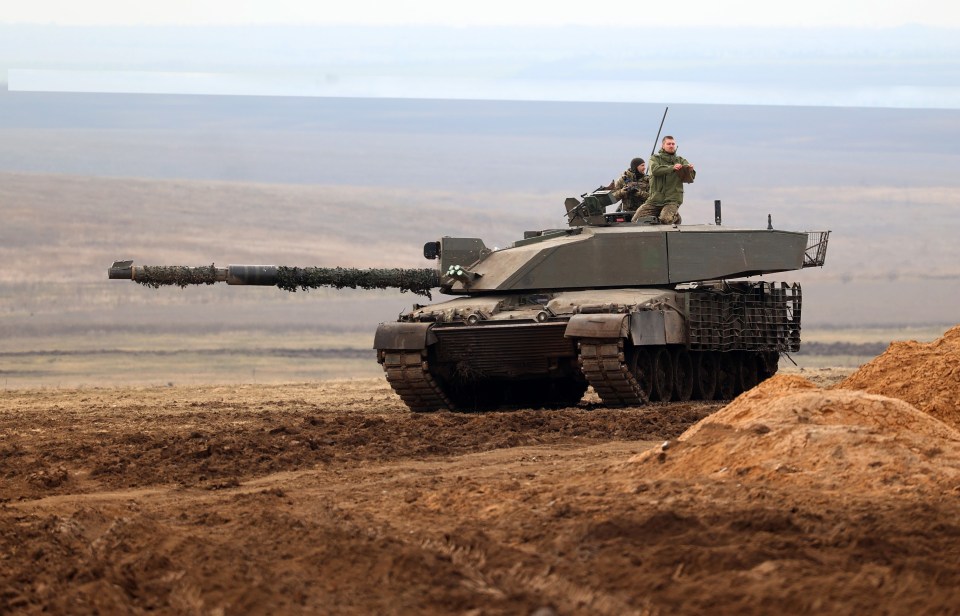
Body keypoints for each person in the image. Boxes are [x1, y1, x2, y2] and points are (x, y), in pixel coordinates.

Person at [631, 136, 695, 224]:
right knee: (636, 220)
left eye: (673, 144)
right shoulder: (655, 159)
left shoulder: (680, 160)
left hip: (672, 199)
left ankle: (675, 216)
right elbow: (655, 170)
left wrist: (690, 170)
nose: (671, 146)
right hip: (655, 199)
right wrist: (672, 168)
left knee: (666, 219)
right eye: (669, 144)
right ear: (663, 145)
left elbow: (690, 178)